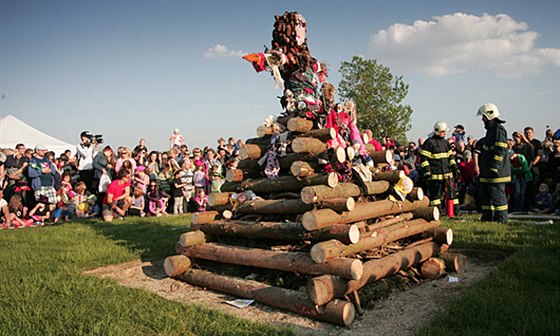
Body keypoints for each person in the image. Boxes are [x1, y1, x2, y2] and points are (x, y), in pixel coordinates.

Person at [475, 103, 510, 223]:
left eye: (483, 117)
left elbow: (500, 150)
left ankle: (501, 219)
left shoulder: (499, 129)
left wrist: (495, 166)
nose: (482, 119)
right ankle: (487, 217)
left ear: (489, 115)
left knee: (497, 195)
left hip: (496, 171)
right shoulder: (491, 130)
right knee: (485, 193)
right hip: (487, 170)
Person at [419, 121, 458, 213]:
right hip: (435, 175)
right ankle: (436, 213)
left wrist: (455, 169)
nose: (444, 133)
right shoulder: (429, 143)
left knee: (452, 195)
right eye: (443, 131)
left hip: (447, 175)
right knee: (435, 196)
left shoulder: (445, 143)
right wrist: (427, 171)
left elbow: (451, 158)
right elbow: (424, 159)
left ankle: (454, 212)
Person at [28, 144, 59, 211]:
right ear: (37, 151)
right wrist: (42, 171)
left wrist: (50, 170)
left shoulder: (47, 160)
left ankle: (49, 218)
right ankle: (40, 218)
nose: (44, 152)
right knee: (41, 204)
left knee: (53, 203)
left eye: (45, 150)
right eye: (42, 150)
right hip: (39, 186)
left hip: (50, 185)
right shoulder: (33, 161)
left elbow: (54, 171)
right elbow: (31, 173)